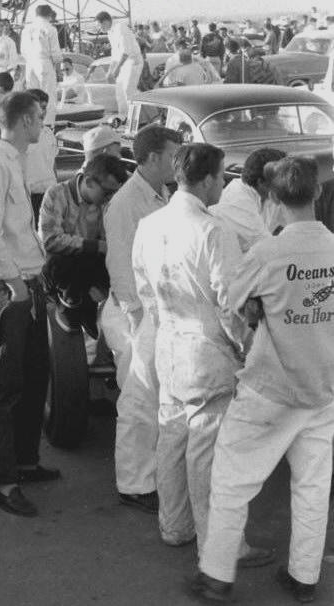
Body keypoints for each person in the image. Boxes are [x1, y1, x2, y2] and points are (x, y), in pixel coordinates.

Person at [192, 157, 334, 604]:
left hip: (271, 388)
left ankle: (217, 575)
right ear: (317, 195)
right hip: (324, 389)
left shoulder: (267, 253)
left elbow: (231, 301)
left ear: (272, 199)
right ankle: (304, 577)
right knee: (313, 486)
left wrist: (259, 307)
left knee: (232, 480)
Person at [133, 143, 272, 565]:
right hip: (206, 349)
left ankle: (174, 526)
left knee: (172, 437)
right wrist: (245, 347)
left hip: (168, 340)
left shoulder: (151, 224)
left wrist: (164, 320)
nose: (223, 185)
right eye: (221, 178)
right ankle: (220, 545)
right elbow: (229, 301)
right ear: (210, 179)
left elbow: (143, 288)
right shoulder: (212, 230)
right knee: (209, 452)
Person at [0, 92, 60, 517]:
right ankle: (2, 482)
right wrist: (14, 284)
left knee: (35, 376)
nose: (42, 122)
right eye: (38, 117)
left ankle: (24, 461)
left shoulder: (11, 161)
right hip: (9, 287)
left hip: (26, 282)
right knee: (5, 388)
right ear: (24, 121)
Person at [101, 124, 183, 514]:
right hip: (133, 311)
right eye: (171, 156)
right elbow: (118, 263)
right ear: (151, 158)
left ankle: (150, 475)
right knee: (138, 400)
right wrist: (135, 318)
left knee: (155, 398)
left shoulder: (161, 194)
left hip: (154, 309)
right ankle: (133, 483)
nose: (176, 163)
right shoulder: (125, 203)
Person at [40, 154, 127, 336]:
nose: (111, 197)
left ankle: (95, 306)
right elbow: (50, 240)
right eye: (107, 192)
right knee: (64, 260)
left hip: (91, 263)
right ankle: (69, 303)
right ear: (88, 182)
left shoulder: (109, 203)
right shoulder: (57, 194)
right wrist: (95, 245)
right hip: (62, 265)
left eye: (115, 192)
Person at [210, 148, 287, 252]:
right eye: (281, 179)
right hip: (231, 263)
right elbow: (266, 245)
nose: (286, 184)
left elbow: (299, 225)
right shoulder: (236, 199)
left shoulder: (268, 194)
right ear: (261, 183)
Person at [96, 11, 143, 120]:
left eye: (99, 25)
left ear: (106, 21)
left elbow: (125, 52)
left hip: (132, 61)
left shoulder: (120, 28)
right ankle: (124, 118)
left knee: (128, 90)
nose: (99, 28)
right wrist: (110, 71)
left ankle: (134, 120)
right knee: (120, 92)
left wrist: (117, 69)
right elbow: (115, 54)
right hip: (122, 63)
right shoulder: (110, 32)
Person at [20, 5, 63, 125]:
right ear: (49, 15)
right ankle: (48, 125)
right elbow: (56, 53)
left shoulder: (26, 29)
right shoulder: (50, 29)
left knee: (32, 97)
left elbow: (22, 51)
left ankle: (32, 124)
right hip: (44, 62)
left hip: (30, 63)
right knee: (48, 96)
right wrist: (59, 71)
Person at [23, 89, 58, 223]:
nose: (42, 112)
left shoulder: (48, 133)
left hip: (49, 193)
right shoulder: (22, 135)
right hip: (29, 196)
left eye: (44, 108)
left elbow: (53, 163)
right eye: (39, 108)